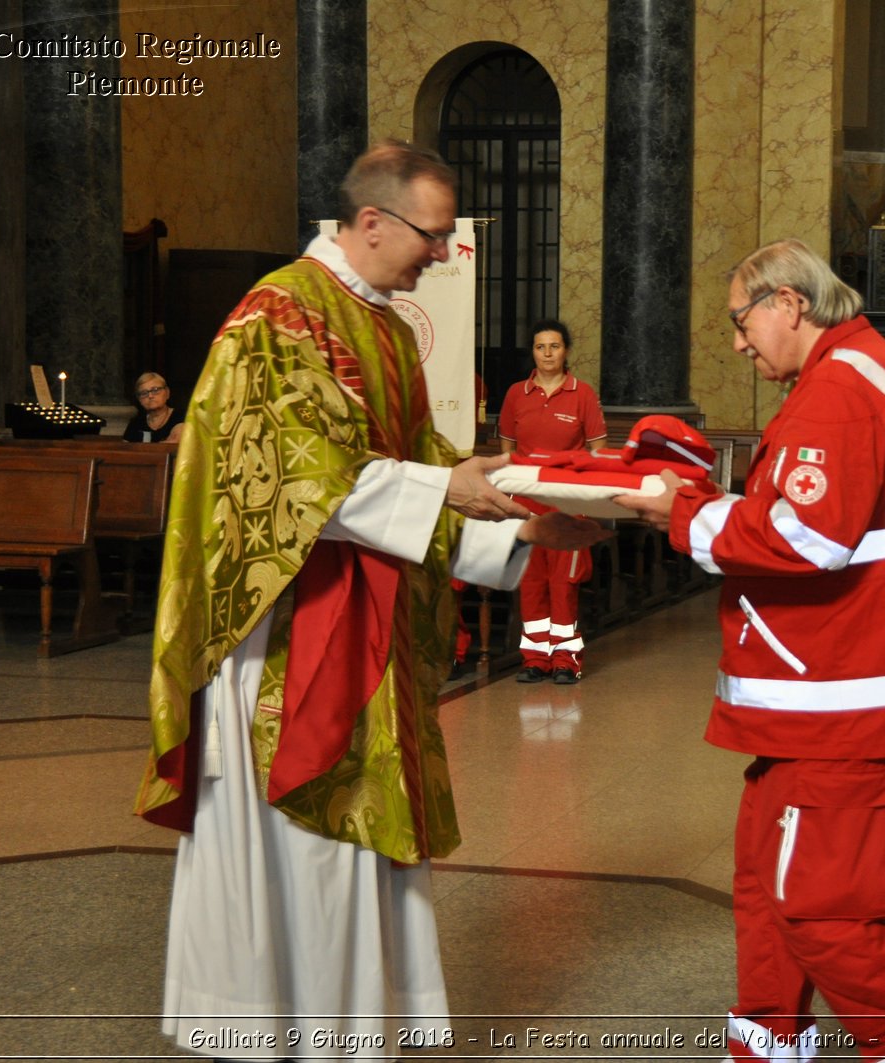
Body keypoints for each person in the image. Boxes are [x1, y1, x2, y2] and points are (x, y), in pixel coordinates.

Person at [133, 139, 604, 1060]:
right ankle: (275, 1027)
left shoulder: (381, 326)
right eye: (433, 235)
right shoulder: (276, 317)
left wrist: (521, 525)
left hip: (365, 615)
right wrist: (450, 488)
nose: (441, 253)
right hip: (287, 625)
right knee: (302, 840)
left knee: (359, 838)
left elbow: (418, 463)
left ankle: (347, 1029)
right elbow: (291, 482)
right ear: (374, 222)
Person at [617, 239, 885, 1063]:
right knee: (762, 882)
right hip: (820, 687)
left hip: (843, 692)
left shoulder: (842, 387)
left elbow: (805, 538)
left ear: (789, 303)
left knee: (819, 905)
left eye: (742, 322)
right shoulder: (845, 376)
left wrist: (682, 517)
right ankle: (767, 1040)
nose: (740, 343)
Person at [497, 319, 607, 684]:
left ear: (566, 351)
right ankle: (534, 658)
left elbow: (598, 450)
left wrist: (587, 496)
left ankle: (566, 660)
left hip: (566, 501)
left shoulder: (583, 394)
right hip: (525, 503)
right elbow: (507, 448)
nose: (547, 353)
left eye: (554, 346)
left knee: (564, 582)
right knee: (531, 581)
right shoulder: (516, 393)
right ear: (533, 351)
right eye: (540, 346)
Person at [122, 371, 185, 443]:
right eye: (144, 393)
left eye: (155, 390)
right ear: (139, 400)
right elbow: (125, 449)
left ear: (167, 392)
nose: (150, 396)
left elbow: (176, 442)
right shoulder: (136, 423)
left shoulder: (181, 417)